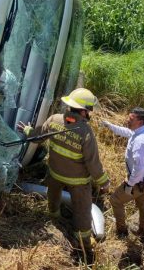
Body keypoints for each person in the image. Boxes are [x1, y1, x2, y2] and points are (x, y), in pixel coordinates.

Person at [18, 88, 110, 262]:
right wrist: (103, 182)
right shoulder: (85, 132)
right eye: (88, 110)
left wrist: (28, 130)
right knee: (83, 210)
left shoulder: (55, 120)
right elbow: (93, 163)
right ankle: (83, 244)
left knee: (53, 197)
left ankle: (54, 217)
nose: (89, 113)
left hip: (55, 173)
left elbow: (38, 137)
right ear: (83, 111)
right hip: (78, 181)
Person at [102, 107, 144, 240]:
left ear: (140, 121)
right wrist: (110, 126)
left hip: (138, 182)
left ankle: (122, 231)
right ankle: (143, 232)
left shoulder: (141, 142)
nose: (127, 120)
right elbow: (128, 133)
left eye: (131, 119)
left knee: (115, 200)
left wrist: (130, 184)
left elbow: (139, 168)